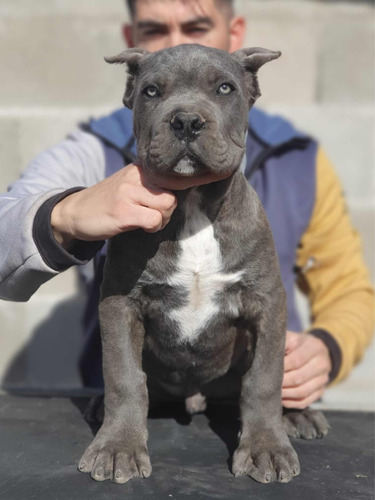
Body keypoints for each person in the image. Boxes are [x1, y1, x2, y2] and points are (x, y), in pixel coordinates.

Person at [0, 0, 373, 410]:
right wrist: (67, 212)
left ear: (237, 47)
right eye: (157, 31)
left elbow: (349, 288)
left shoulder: (298, 161)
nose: (178, 46)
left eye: (196, 28)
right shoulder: (93, 154)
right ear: (133, 73)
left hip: (241, 403)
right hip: (138, 408)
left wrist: (326, 348)